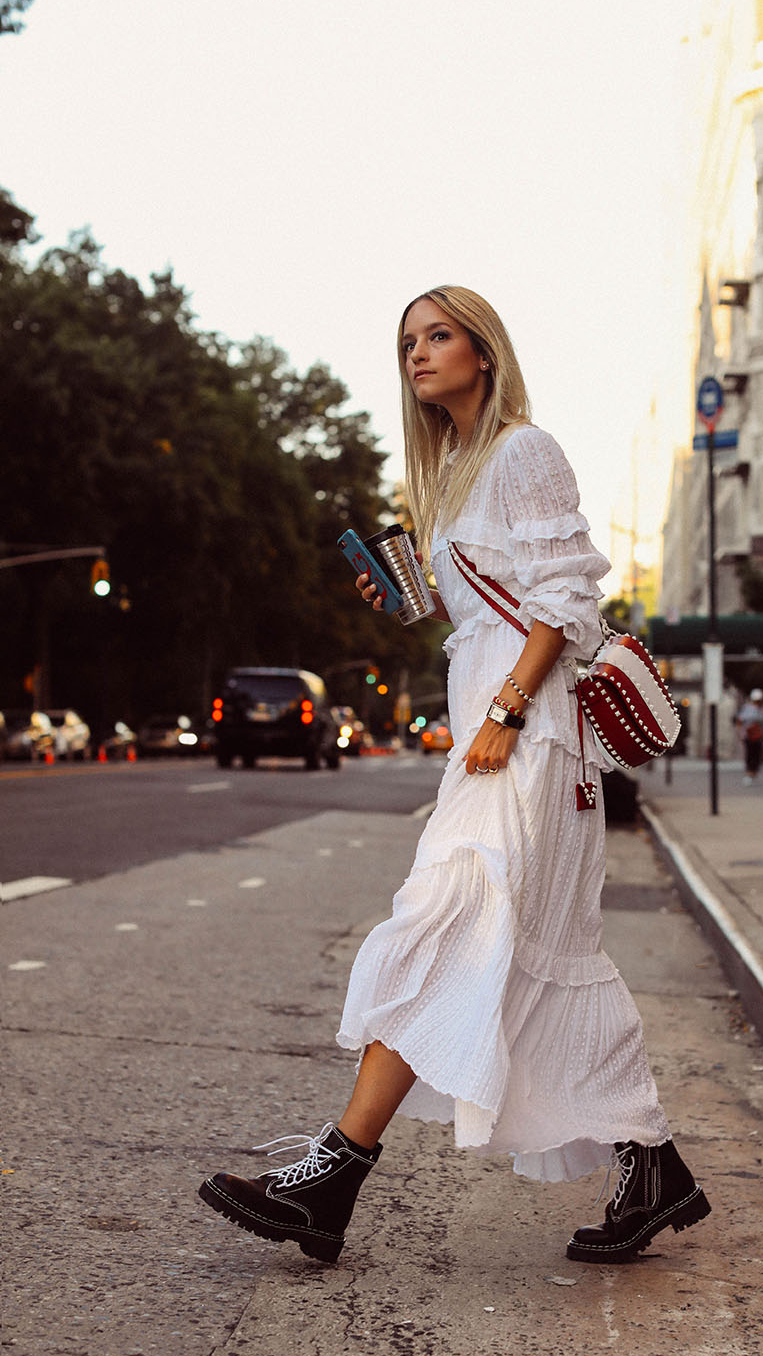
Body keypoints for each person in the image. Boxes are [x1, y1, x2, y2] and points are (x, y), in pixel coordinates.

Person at [198, 286, 710, 1265]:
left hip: (529, 736)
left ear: (483, 349)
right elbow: (488, 608)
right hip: (491, 729)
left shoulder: (523, 448)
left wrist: (510, 710)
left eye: (437, 336)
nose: (419, 355)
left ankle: (334, 1172)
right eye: (407, 344)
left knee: (447, 922)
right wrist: (414, 601)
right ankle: (654, 1167)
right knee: (541, 953)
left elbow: (562, 597)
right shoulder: (451, 470)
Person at [736, 686, 763, 784]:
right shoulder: (747, 708)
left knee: (757, 755)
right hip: (749, 736)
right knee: (749, 754)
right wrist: (740, 733)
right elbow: (740, 721)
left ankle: (754, 772)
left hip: (760, 736)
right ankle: (749, 773)